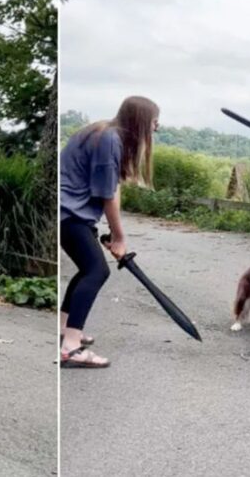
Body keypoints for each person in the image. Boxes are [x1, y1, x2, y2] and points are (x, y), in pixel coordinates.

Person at [58, 96, 158, 368]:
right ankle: (70, 347)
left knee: (86, 268)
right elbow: (106, 195)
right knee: (96, 271)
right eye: (153, 122)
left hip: (70, 212)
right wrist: (119, 237)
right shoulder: (109, 139)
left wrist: (115, 234)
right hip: (67, 213)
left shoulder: (105, 134)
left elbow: (113, 187)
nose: (156, 129)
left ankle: (65, 329)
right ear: (139, 121)